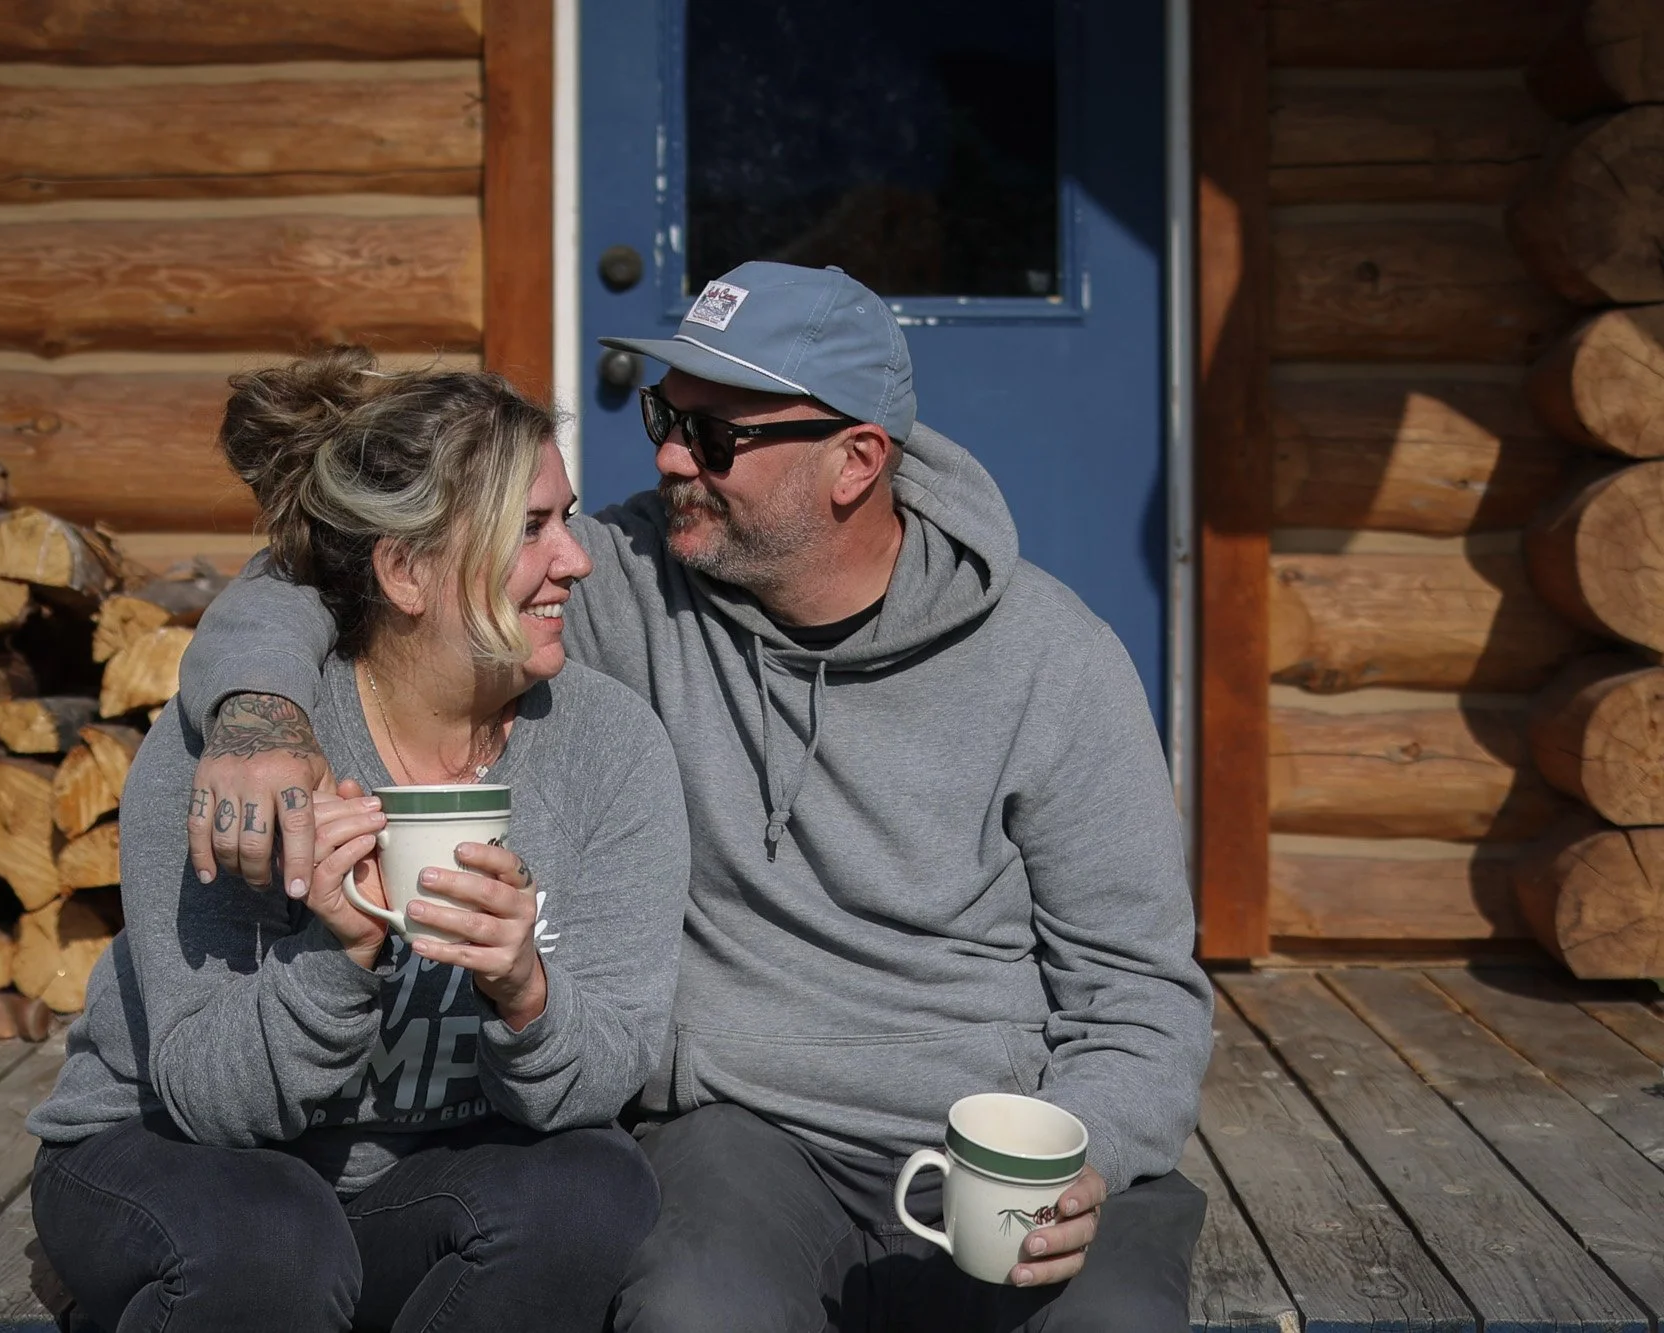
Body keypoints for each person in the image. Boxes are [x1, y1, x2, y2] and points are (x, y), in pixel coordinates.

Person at [174, 262, 1214, 1331]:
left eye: (717, 437)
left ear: (854, 460)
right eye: (665, 413)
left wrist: (1071, 1145)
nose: (669, 454)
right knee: (694, 1314)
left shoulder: (1053, 663)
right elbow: (324, 568)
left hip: (997, 1133)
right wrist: (260, 716)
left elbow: (1138, 990)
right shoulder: (624, 574)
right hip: (743, 1135)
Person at [26, 350, 691, 1333]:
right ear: (406, 571)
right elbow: (204, 1094)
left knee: (595, 1188)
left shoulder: (607, 747)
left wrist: (524, 992)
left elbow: (603, 1073)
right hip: (166, 1153)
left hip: (412, 1184)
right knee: (273, 1241)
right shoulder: (243, 752)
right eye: (532, 529)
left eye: (569, 518)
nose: (576, 560)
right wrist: (339, 955)